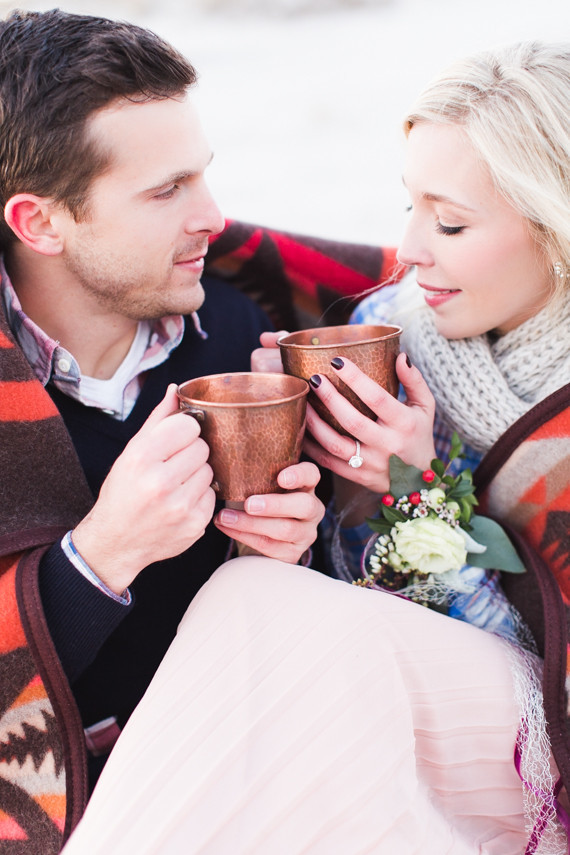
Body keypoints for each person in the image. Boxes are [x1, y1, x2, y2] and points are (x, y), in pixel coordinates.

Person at [60, 40, 570, 854]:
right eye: (407, 207)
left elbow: (525, 657)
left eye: (448, 221)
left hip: (540, 749)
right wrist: (309, 474)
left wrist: (421, 488)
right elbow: (359, 605)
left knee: (263, 605)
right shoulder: (394, 334)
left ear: (555, 225)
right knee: (256, 593)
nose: (408, 248)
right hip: (405, 713)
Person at [0, 9, 327, 852]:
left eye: (202, 176)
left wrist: (285, 549)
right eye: (165, 190)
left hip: (257, 785)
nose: (214, 217)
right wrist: (98, 556)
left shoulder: (235, 329)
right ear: (39, 223)